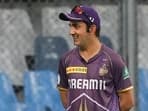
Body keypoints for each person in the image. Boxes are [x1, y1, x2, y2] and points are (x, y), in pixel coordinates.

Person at [57, 5, 134, 111]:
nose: (71, 32)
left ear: (92, 29)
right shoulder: (66, 60)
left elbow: (128, 102)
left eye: (76, 26)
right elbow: (65, 96)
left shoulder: (114, 60)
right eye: (70, 26)